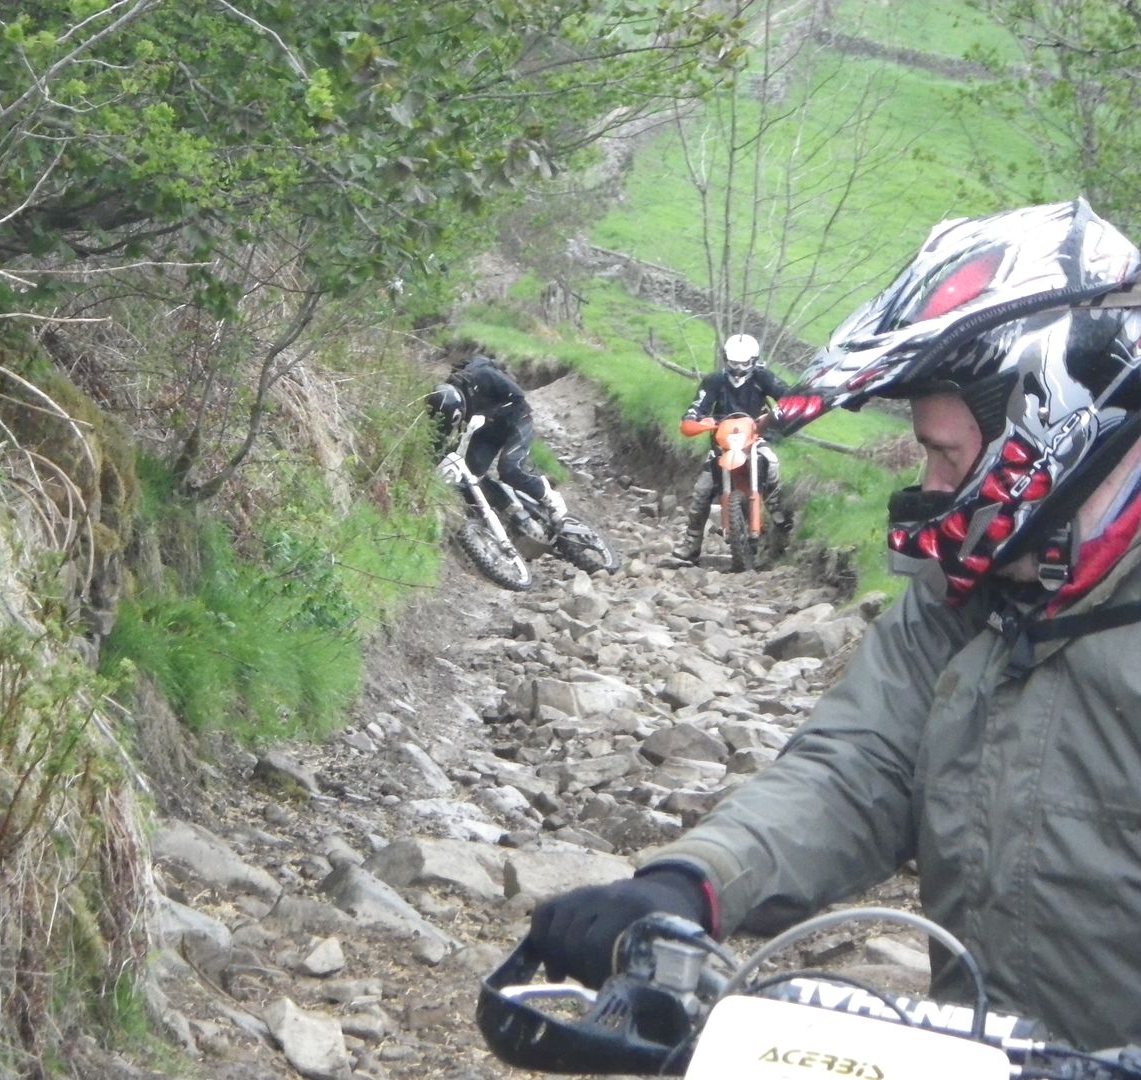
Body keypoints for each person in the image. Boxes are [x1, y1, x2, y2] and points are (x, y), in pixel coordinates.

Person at [525, 198, 1141, 1051]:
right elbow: (863, 764)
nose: (926, 482)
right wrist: (692, 882)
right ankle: (699, 542)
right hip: (985, 1051)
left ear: (1052, 421)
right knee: (710, 493)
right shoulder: (971, 592)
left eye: (944, 453)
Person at [675, 333, 794, 564]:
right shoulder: (714, 381)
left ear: (754, 360)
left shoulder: (763, 377)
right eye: (734, 362)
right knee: (702, 490)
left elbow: (787, 396)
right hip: (722, 441)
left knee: (772, 465)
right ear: (725, 359)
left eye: (744, 363)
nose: (739, 368)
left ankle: (778, 517)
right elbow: (697, 407)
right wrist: (695, 419)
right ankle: (691, 543)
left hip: (755, 436)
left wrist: (779, 412)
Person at [426, 354, 568, 529]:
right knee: (471, 475)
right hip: (488, 430)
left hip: (517, 419)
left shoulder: (482, 376)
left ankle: (550, 498)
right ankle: (505, 509)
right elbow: (444, 438)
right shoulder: (446, 401)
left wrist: (488, 415)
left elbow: (517, 396)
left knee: (509, 469)